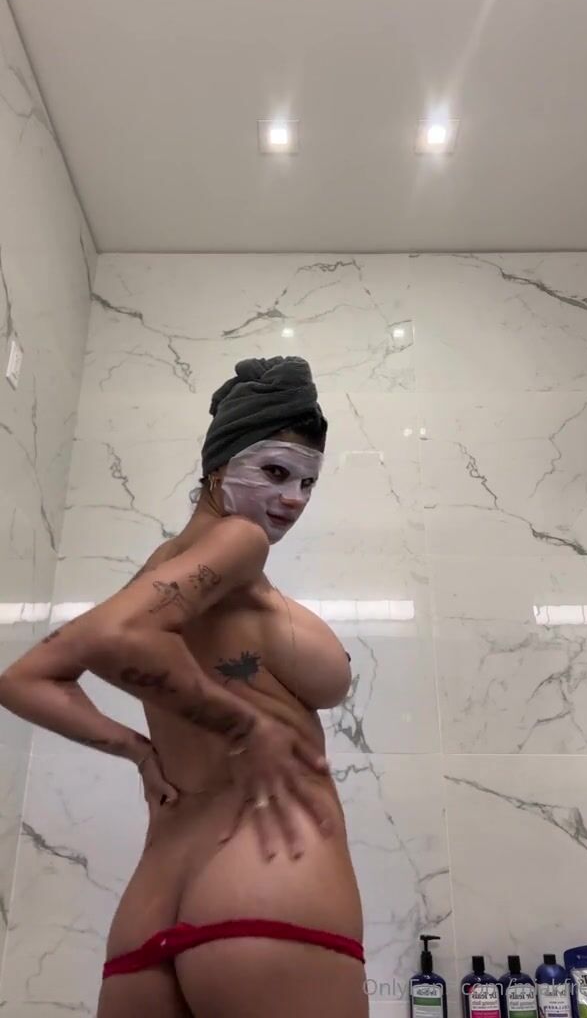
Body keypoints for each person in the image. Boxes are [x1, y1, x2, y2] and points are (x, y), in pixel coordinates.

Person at [0, 356, 367, 1018]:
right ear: (219, 466)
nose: (294, 499)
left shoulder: (157, 574)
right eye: (275, 472)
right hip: (267, 880)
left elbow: (26, 680)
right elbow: (116, 639)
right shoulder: (240, 542)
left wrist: (139, 752)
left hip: (151, 908)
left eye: (309, 482)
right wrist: (244, 724)